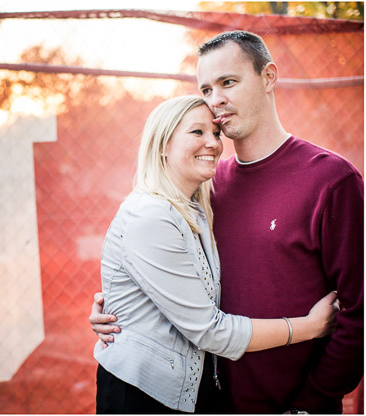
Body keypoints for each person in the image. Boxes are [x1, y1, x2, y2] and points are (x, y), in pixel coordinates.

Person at [90, 31, 364, 413]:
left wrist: (313, 400)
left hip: (297, 404)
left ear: (268, 77)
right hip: (211, 402)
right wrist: (121, 309)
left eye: (228, 82)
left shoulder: (331, 180)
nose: (215, 99)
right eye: (205, 88)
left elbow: (358, 311)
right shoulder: (206, 188)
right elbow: (172, 278)